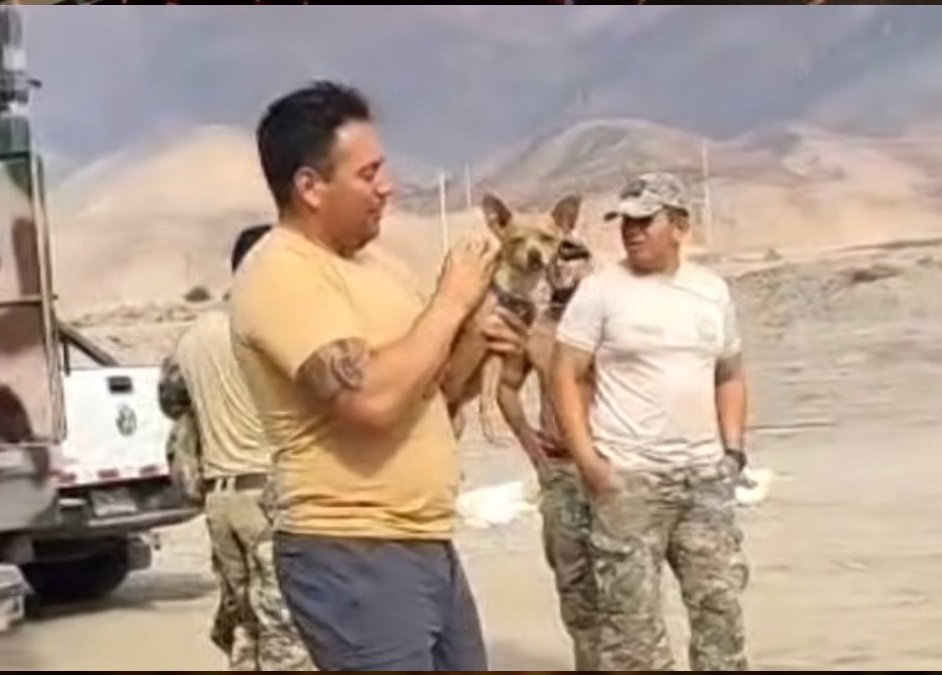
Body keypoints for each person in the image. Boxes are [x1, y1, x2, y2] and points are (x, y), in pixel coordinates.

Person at [229, 80, 527, 671]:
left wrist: (478, 336)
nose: (386, 187)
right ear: (310, 187)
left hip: (424, 543)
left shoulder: (381, 268)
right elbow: (371, 401)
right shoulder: (281, 270)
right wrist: (450, 301)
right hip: (351, 550)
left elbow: (435, 393)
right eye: (368, 174)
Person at [550, 172, 752, 671]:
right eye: (626, 222)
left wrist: (733, 452)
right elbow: (565, 375)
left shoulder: (710, 291)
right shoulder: (600, 291)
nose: (632, 231)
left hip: (704, 481)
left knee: (721, 617)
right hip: (630, 481)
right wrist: (588, 461)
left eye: (645, 221)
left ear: (680, 226)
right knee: (632, 633)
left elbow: (730, 374)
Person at [159, 223, 313, 671]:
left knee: (245, 627)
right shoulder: (271, 331)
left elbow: (170, 401)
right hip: (268, 501)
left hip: (220, 503)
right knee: (287, 635)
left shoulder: (194, 336)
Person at [495, 229, 600, 670]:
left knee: (627, 586)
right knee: (574, 588)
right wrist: (530, 444)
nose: (564, 269)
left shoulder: (612, 325)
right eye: (558, 260)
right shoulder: (536, 332)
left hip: (615, 469)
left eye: (575, 260)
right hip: (560, 471)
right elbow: (507, 388)